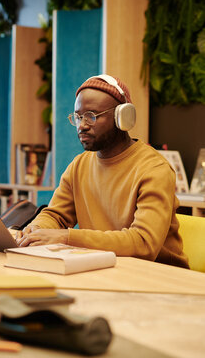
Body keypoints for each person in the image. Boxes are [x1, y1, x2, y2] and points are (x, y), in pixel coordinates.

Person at [17, 74, 189, 269]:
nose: (82, 126)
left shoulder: (154, 169)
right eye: (78, 117)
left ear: (122, 117)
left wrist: (66, 237)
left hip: (160, 276)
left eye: (91, 116)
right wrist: (35, 230)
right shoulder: (79, 165)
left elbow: (143, 243)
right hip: (107, 268)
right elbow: (55, 215)